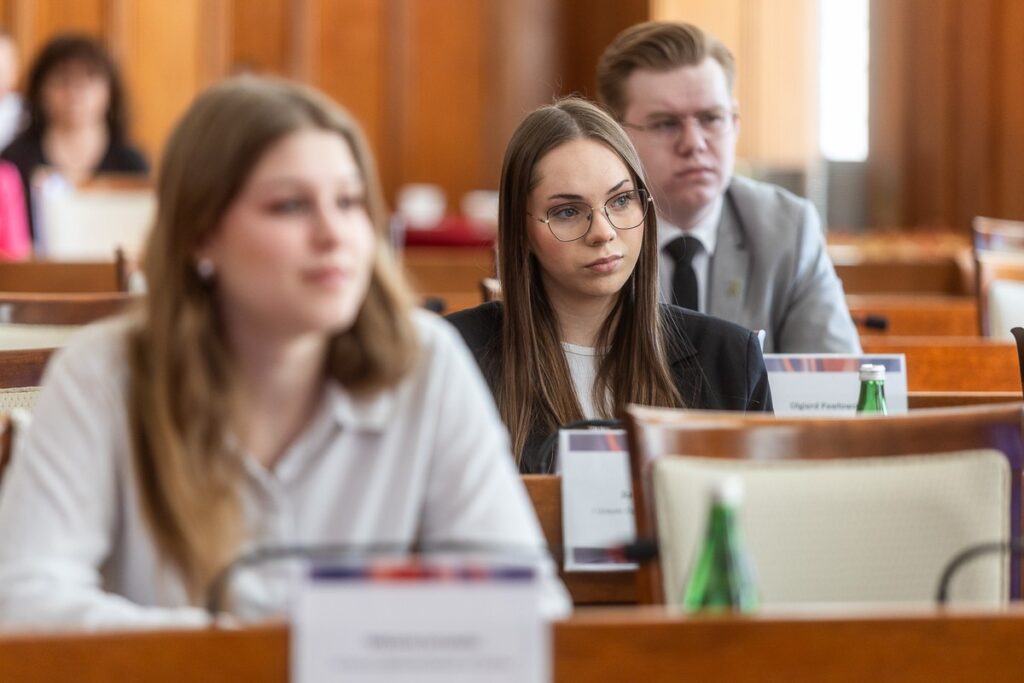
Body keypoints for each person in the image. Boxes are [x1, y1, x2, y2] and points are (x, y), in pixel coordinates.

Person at [0, 76, 565, 629]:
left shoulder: (424, 362)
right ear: (201, 233)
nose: (334, 234)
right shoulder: (105, 372)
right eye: (291, 206)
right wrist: (247, 655)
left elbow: (529, 608)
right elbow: (23, 601)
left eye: (349, 202)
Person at [447, 98, 772, 473]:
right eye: (567, 212)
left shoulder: (730, 358)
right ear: (522, 231)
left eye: (620, 201)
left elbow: (762, 524)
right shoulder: (453, 357)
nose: (603, 232)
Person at [596, 21, 861, 354]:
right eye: (665, 123)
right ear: (615, 134)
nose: (693, 144)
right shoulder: (594, 229)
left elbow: (834, 389)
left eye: (711, 119)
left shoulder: (788, 228)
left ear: (735, 124)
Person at [0, 34, 148, 239]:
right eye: (62, 81)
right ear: (40, 92)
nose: (75, 94)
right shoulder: (14, 160)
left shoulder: (131, 163)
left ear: (110, 91)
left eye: (88, 81)